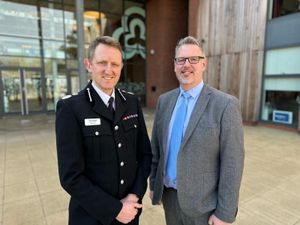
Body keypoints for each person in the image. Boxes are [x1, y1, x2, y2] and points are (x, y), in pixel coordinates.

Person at [55, 36, 152, 225]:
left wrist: (134, 196)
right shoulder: (71, 108)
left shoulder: (131, 102)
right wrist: (115, 210)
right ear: (88, 65)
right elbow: (71, 177)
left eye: (115, 64)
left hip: (129, 214)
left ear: (122, 67)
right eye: (102, 63)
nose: (109, 70)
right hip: (91, 217)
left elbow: (145, 155)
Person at [149, 36, 244, 225]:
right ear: (174, 65)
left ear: (204, 64)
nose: (187, 65)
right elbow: (156, 150)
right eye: (181, 60)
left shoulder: (225, 105)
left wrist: (224, 213)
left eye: (193, 59)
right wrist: (154, 185)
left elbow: (232, 163)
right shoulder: (164, 101)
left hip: (204, 207)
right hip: (169, 198)